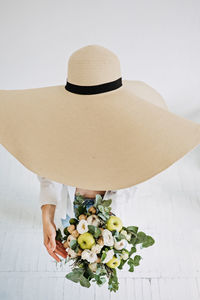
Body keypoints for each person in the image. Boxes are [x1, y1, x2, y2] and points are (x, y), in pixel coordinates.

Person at [37, 174, 138, 262]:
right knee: (68, 226)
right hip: (72, 203)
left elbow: (131, 177)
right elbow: (49, 169)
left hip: (108, 205)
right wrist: (47, 219)